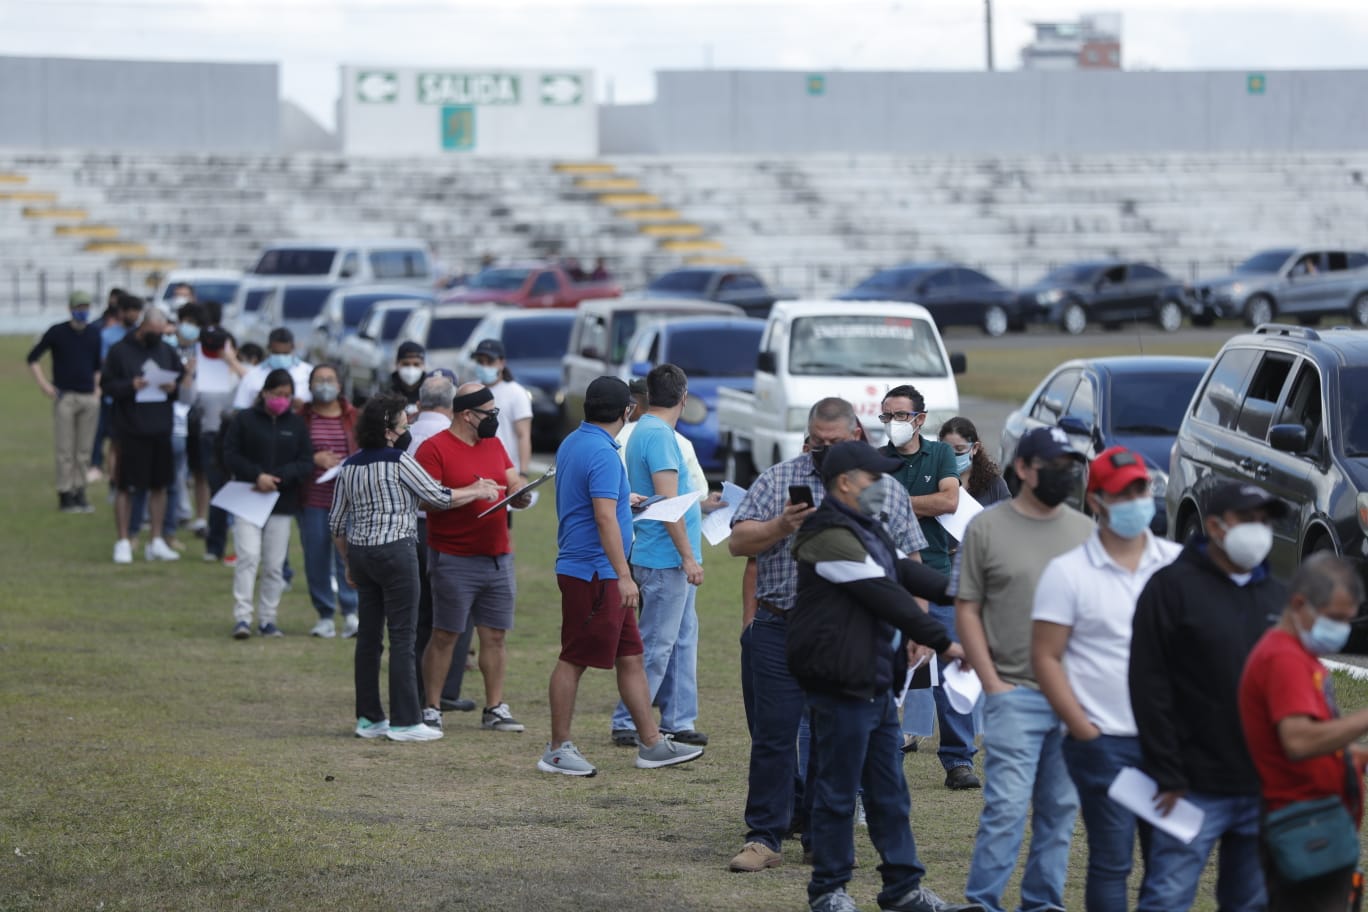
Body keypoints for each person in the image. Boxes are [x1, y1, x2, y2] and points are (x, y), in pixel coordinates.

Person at [728, 397, 925, 874]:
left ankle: (821, 839)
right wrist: (781, 525)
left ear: (855, 435)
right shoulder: (778, 479)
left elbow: (912, 561)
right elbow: (738, 542)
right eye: (816, 441)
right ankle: (764, 836)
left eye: (832, 442)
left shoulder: (884, 489)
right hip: (780, 624)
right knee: (774, 736)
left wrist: (918, 624)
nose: (823, 450)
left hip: (848, 632)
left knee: (832, 737)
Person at [791, 440, 980, 912]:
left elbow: (906, 574)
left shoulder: (866, 526)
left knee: (889, 792)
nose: (883, 484)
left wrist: (968, 592)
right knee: (838, 792)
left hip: (873, 679)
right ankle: (829, 892)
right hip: (840, 681)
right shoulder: (824, 533)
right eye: (873, 477)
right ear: (845, 483)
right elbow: (884, 593)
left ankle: (903, 890)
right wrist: (945, 642)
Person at [1030, 447, 1181, 911]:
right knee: (1112, 861)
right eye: (1122, 494)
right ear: (1096, 501)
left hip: (1170, 743)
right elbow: (1046, 656)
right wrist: (1084, 731)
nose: (1136, 502)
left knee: (1169, 862)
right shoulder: (1068, 572)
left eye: (1141, 490)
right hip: (1104, 742)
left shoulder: (1176, 565)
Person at [1129, 480, 1290, 911]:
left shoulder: (1278, 597)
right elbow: (1148, 686)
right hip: (1189, 787)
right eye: (1248, 519)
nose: (1259, 529)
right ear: (1216, 527)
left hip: (1261, 786)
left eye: (1265, 520)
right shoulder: (1170, 588)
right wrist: (1167, 771)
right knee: (1167, 898)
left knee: (1251, 901)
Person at [955, 426, 1094, 912]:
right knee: (1007, 808)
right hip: (1013, 692)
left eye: (1069, 465)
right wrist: (992, 683)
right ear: (1023, 469)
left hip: (1072, 698)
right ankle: (983, 902)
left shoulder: (1086, 533)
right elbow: (967, 608)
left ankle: (1042, 903)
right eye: (1052, 465)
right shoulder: (986, 528)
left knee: (1059, 811)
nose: (1064, 474)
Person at [540, 376, 705, 776]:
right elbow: (602, 518)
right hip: (593, 572)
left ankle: (651, 742)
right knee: (574, 659)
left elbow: (596, 501)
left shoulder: (575, 441)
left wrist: (622, 500)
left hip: (595, 569)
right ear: (627, 411)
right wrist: (623, 575)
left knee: (632, 656)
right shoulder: (601, 452)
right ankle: (557, 749)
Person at [1240, 553, 1368, 912]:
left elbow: (1317, 739)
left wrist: (1357, 754)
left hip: (1317, 824)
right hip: (1300, 826)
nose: (1343, 629)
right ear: (1299, 604)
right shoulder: (1284, 660)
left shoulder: (1301, 656)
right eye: (1336, 618)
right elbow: (1297, 741)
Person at [329, 393, 457, 743]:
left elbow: (336, 522)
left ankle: (369, 718)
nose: (408, 429)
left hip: (361, 553)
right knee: (403, 636)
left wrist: (348, 561)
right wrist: (475, 490)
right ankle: (405, 720)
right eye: (404, 424)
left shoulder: (349, 466)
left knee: (369, 638)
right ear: (388, 431)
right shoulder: (401, 460)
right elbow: (438, 497)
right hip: (397, 551)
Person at [878, 385, 977, 790]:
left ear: (919, 419)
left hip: (936, 575)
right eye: (887, 416)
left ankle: (959, 759)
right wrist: (923, 502)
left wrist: (896, 503)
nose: (892, 423)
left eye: (900, 415)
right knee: (886, 668)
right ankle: (884, 753)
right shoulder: (876, 460)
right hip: (886, 578)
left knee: (950, 669)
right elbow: (871, 508)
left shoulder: (939, 454)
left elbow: (949, 501)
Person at [415, 382, 528, 734]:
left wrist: (519, 492)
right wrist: (471, 492)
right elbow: (425, 500)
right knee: (445, 635)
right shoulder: (433, 448)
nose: (495, 419)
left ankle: (494, 707)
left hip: (497, 557)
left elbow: (511, 478)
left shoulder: (494, 443)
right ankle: (431, 707)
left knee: (495, 636)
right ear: (467, 414)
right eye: (489, 413)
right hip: (453, 557)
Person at [610, 364, 712, 747]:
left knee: (681, 639)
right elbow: (669, 505)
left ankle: (678, 718)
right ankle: (628, 720)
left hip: (661, 552)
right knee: (655, 644)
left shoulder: (647, 430)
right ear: (683, 398)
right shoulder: (659, 436)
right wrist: (688, 557)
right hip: (663, 556)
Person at [405, 371, 478, 713]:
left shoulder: (406, 434)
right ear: (452, 405)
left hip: (407, 530)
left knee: (418, 613)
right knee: (453, 615)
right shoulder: (450, 437)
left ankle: (416, 687)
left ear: (420, 403)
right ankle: (445, 689)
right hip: (444, 529)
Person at [222, 368, 313, 638]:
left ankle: (267, 619)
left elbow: (305, 462)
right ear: (264, 393)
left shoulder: (296, 424)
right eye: (277, 394)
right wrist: (256, 476)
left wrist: (280, 477)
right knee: (248, 557)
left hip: (281, 501)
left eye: (287, 395)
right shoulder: (244, 420)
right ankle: (242, 617)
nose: (281, 400)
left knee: (274, 564)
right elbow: (230, 454)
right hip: (247, 497)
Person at [101, 306, 186, 564]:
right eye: (154, 332)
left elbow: (179, 382)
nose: (157, 336)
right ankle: (123, 540)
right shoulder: (120, 351)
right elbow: (107, 385)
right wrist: (131, 385)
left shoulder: (166, 351)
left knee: (159, 485)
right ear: (143, 326)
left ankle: (156, 540)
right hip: (130, 429)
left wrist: (172, 387)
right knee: (125, 486)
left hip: (160, 427)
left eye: (161, 333)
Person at [298, 364, 360, 639]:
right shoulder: (302, 418)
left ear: (339, 385)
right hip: (313, 499)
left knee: (348, 556)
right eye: (319, 380)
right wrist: (314, 459)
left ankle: (351, 612)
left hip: (348, 500)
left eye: (329, 379)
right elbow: (292, 452)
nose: (324, 384)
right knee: (316, 557)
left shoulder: (353, 417)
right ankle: (324, 614)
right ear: (310, 385)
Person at [27, 290, 103, 514]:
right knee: (65, 449)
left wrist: (97, 389)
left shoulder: (94, 333)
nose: (83, 311)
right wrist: (44, 385)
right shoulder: (57, 332)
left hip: (88, 397)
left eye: (85, 307)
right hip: (65, 397)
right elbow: (33, 358)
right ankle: (65, 492)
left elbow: (97, 366)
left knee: (84, 449)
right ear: (71, 309)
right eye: (79, 308)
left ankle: (80, 490)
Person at [469, 339, 533, 479]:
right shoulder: (470, 390)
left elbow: (523, 435)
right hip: (475, 468)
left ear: (502, 363)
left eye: (490, 362)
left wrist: (523, 473)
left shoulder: (516, 393)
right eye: (480, 362)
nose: (484, 366)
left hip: (508, 470)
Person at [232, 328, 313, 411]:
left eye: (285, 353)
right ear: (269, 348)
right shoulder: (252, 375)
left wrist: (304, 407)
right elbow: (241, 408)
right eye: (277, 353)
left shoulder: (309, 372)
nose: (281, 357)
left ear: (293, 347)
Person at [939, 417, 1010, 507]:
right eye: (947, 449)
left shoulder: (994, 485)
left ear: (975, 448)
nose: (952, 455)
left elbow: (1007, 512)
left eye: (959, 449)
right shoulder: (930, 481)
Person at [389, 341, 427, 412]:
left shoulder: (429, 395)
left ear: (423, 366)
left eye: (416, 364)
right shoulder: (387, 396)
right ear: (397, 364)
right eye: (406, 364)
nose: (411, 369)